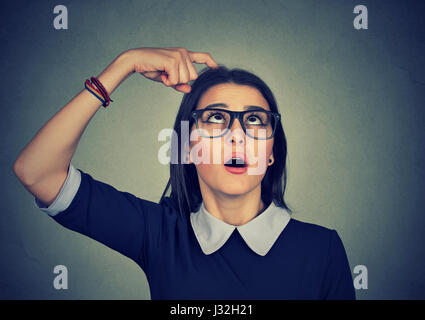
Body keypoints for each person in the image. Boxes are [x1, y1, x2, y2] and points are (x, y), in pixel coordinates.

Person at [13, 47, 356, 300]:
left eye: (254, 119)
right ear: (188, 148)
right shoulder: (159, 233)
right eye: (217, 118)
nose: (236, 135)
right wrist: (125, 64)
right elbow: (37, 172)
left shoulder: (322, 249)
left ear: (270, 154)